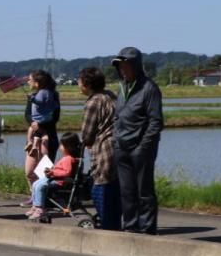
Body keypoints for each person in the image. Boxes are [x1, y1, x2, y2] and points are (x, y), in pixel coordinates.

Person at [112, 47, 163, 234]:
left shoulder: (149, 88)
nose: (122, 70)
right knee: (126, 191)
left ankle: (147, 229)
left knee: (144, 191)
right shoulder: (123, 87)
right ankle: (131, 227)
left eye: (125, 65)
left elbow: (156, 122)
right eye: (120, 66)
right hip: (121, 147)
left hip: (141, 149)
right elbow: (117, 116)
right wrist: (115, 139)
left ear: (135, 65)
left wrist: (143, 147)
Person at [78, 66, 121, 231]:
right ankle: (114, 225)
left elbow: (87, 134)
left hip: (103, 150)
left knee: (101, 189)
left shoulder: (93, 102)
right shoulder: (110, 95)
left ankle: (107, 228)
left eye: (80, 81)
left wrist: (83, 144)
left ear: (87, 84)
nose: (78, 84)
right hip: (119, 147)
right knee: (115, 192)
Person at [22, 70, 60, 203]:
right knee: (29, 171)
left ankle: (42, 200)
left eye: (30, 79)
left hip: (48, 138)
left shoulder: (52, 96)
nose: (28, 81)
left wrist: (41, 124)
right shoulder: (32, 97)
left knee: (44, 171)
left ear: (37, 83)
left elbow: (55, 117)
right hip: (33, 138)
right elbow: (27, 114)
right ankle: (34, 196)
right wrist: (33, 123)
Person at [27, 132, 81, 220]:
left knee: (40, 186)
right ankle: (35, 205)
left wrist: (53, 173)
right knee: (35, 184)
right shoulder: (67, 158)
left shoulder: (68, 159)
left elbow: (67, 172)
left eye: (62, 145)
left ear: (68, 147)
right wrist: (52, 171)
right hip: (54, 178)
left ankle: (40, 208)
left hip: (59, 181)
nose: (60, 148)